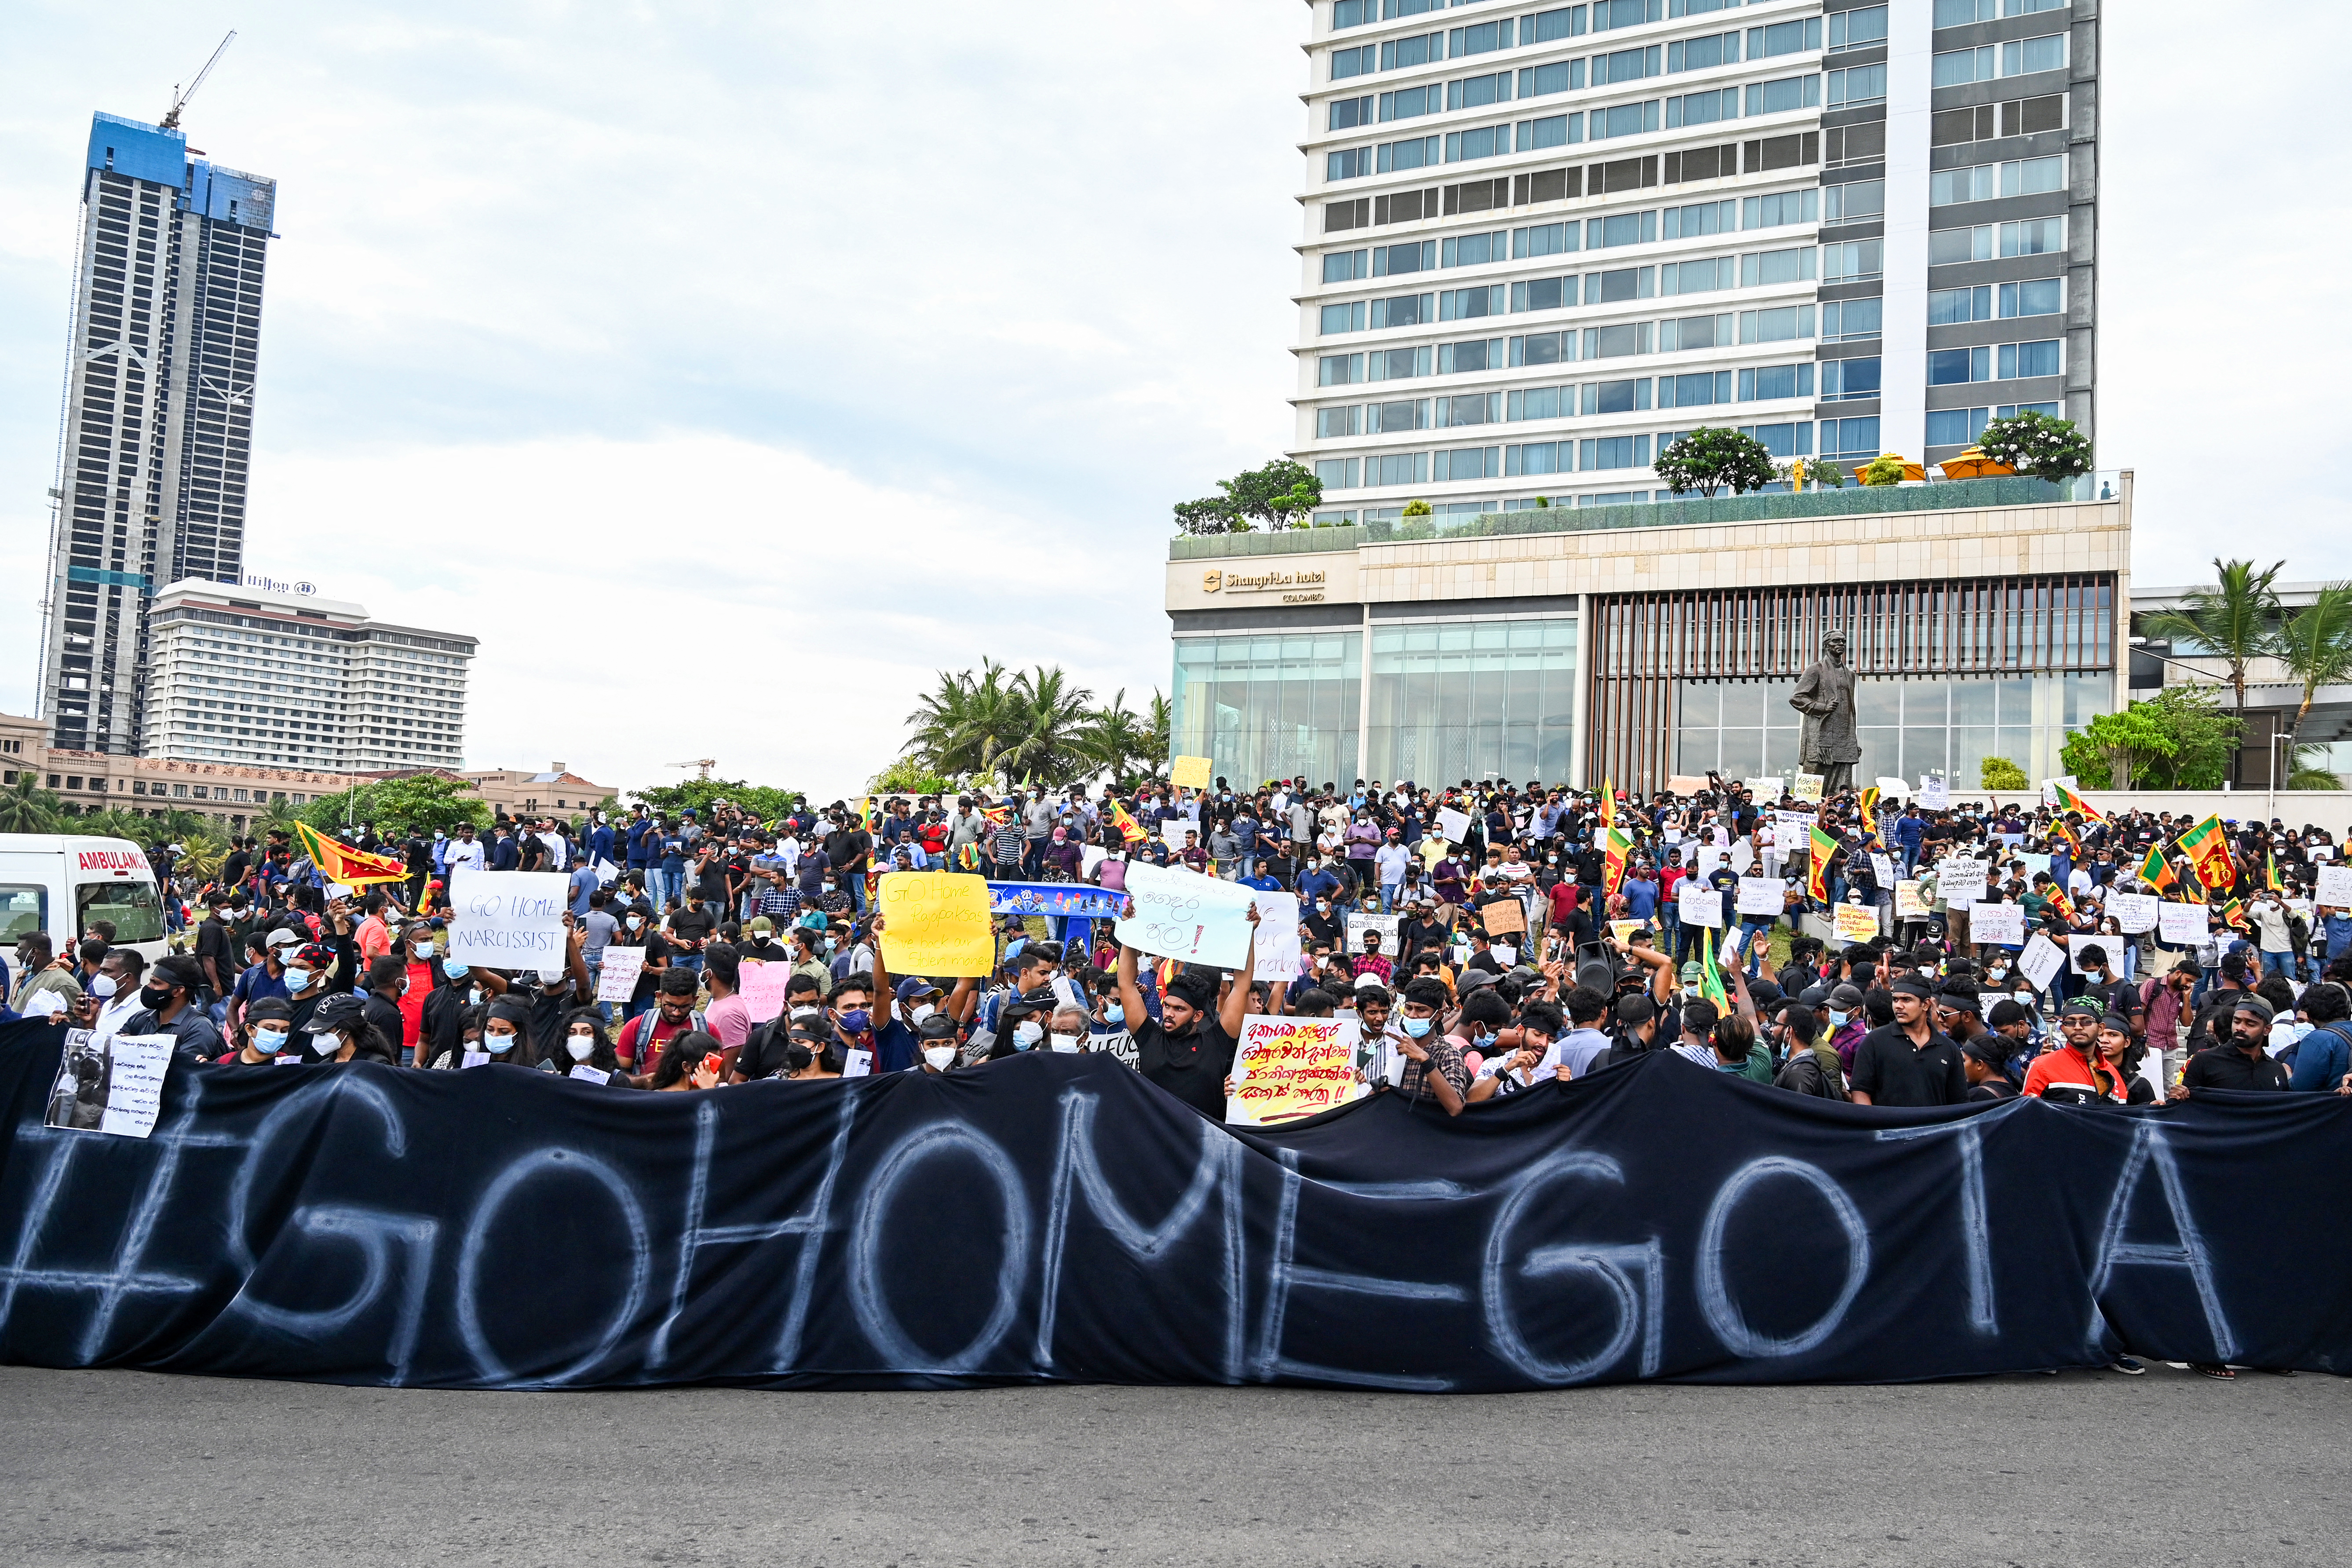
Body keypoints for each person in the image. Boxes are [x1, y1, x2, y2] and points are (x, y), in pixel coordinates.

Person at [1116, 903, 1259, 1118]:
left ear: (1198, 1016)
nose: (1169, 1014)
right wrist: (1130, 929)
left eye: (1180, 1009)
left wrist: (1247, 934)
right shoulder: (1149, 1038)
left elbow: (1241, 988)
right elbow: (1126, 985)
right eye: (1167, 1006)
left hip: (1204, 1146)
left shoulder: (1216, 1043)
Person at [1846, 975, 1966, 1106]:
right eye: (1895, 1000)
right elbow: (1860, 1091)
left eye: (1907, 1000)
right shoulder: (1875, 1042)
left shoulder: (1948, 1048)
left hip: (1934, 1127)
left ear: (1926, 1005)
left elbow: (1959, 1102)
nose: (1898, 1006)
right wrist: (1873, 1122)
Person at [2175, 996, 2291, 1096]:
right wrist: (2178, 1096)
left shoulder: (2276, 1070)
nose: (2240, 1028)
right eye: (2236, 1021)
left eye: (2250, 1024)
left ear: (2267, 1030)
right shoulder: (2204, 1061)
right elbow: (2187, 1109)